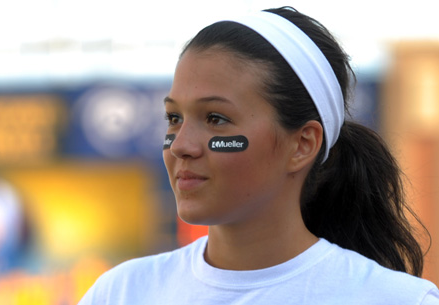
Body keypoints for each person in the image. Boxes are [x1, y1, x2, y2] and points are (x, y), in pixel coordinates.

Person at [79, 6, 439, 304]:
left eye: (215, 119)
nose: (180, 145)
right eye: (174, 118)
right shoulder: (122, 293)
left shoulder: (396, 299)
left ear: (303, 145)